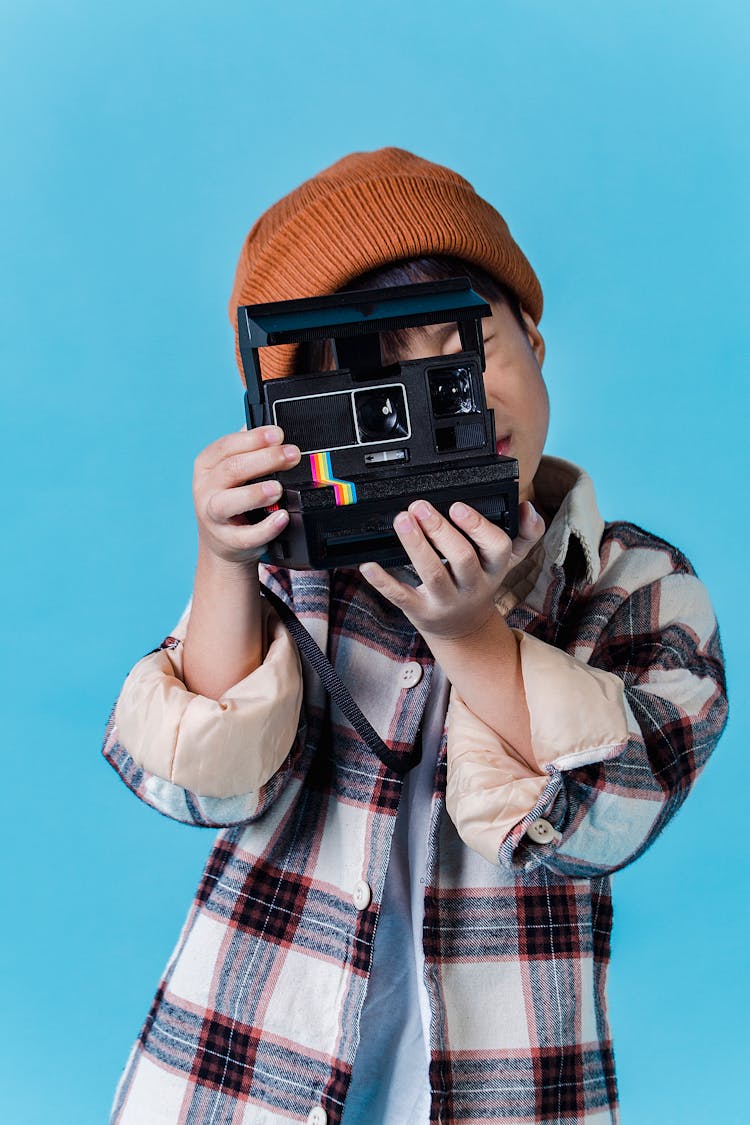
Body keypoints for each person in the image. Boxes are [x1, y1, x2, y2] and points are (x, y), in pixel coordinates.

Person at [103, 147, 728, 1125]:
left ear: (535, 344)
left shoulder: (633, 584)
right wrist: (224, 560)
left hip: (509, 1072)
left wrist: (471, 633)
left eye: (468, 352)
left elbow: (615, 813)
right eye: (386, 388)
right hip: (253, 1050)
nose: (457, 405)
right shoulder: (301, 565)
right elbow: (199, 780)